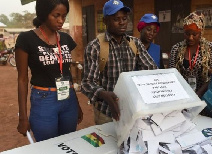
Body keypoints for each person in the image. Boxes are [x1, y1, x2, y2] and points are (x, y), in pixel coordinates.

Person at [15, 0, 83, 142]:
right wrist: (22, 116)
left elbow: (66, 73)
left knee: (68, 144)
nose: (61, 21)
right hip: (44, 100)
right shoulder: (26, 39)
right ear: (44, 14)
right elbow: (22, 78)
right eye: (56, 15)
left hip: (68, 98)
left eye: (64, 16)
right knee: (48, 147)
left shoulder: (65, 38)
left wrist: (76, 104)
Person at [81, 0, 157, 125]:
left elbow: (151, 69)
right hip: (106, 112)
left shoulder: (135, 43)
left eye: (125, 18)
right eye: (116, 19)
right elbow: (87, 83)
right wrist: (104, 94)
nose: (122, 23)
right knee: (108, 142)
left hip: (132, 109)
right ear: (105, 21)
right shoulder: (95, 47)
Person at [169, 11, 212, 98]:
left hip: (204, 96)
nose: (190, 38)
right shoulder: (176, 48)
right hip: (182, 95)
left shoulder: (211, 48)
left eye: (194, 34)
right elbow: (172, 75)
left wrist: (199, 93)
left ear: (201, 32)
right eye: (187, 34)